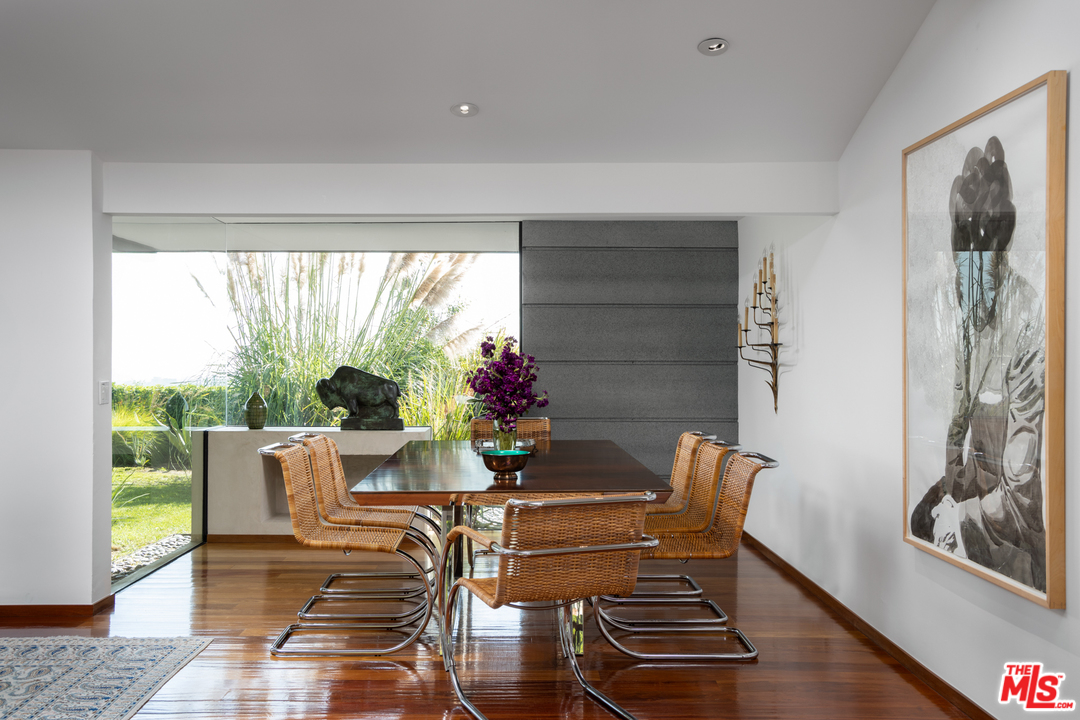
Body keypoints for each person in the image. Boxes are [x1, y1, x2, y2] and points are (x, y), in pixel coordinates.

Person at [910, 136, 1046, 592]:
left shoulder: (1027, 317)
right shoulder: (966, 317)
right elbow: (960, 428)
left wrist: (961, 517)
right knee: (917, 520)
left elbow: (1023, 490)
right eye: (960, 267)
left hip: (1018, 532)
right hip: (974, 496)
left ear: (1000, 257)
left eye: (981, 267)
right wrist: (949, 494)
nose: (968, 284)